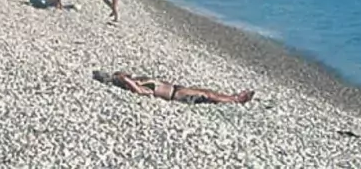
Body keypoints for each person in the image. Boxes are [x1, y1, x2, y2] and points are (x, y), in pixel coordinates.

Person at [92, 70, 254, 105]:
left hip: (178, 88)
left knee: (207, 92)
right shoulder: (139, 86)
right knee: (207, 95)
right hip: (176, 95)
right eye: (123, 74)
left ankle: (232, 97)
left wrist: (128, 78)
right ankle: (236, 99)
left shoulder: (139, 79)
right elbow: (141, 92)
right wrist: (128, 81)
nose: (127, 73)